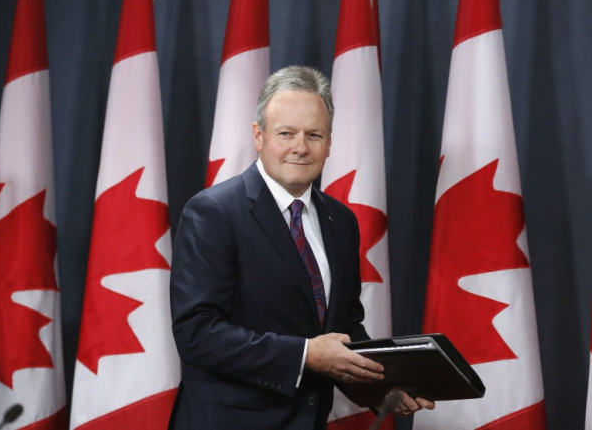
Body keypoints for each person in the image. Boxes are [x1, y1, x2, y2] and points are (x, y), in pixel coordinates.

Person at [169, 66, 433, 429]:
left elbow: (346, 325)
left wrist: (382, 385)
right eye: (286, 133)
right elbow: (197, 335)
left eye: (314, 135)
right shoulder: (214, 212)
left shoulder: (341, 221)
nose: (300, 147)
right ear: (258, 136)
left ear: (329, 144)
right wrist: (307, 355)